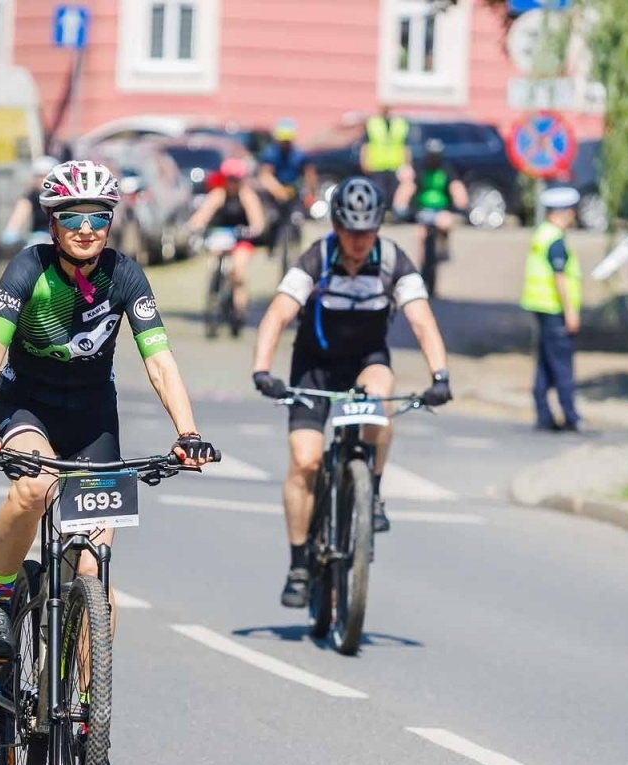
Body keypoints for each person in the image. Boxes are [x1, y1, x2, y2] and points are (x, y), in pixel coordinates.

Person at [0, 159, 217, 662]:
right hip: (25, 407)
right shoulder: (28, 269)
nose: (85, 228)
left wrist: (188, 433)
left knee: (91, 569)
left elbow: (159, 360)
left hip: (92, 417)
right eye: (72, 217)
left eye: (98, 217)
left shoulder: (124, 276)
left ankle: (83, 708)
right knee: (34, 488)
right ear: (52, 224)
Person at [250, 177, 452, 607]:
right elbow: (277, 315)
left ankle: (371, 493)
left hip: (366, 361)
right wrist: (262, 370)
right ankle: (300, 563)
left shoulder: (394, 260)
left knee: (382, 395)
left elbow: (421, 321)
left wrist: (440, 375)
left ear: (378, 226)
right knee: (304, 462)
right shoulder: (316, 258)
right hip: (315, 368)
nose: (359, 241)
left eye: (367, 231)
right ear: (336, 226)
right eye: (350, 231)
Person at [521, 186, 583, 432]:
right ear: (565, 212)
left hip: (541, 307)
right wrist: (570, 311)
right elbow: (560, 278)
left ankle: (543, 413)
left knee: (546, 363)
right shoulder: (555, 240)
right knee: (562, 365)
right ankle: (570, 415)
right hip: (554, 309)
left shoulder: (542, 234)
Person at [187, 157, 268, 326]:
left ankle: (239, 308)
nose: (232, 183)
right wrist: (195, 225)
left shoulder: (247, 195)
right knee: (215, 259)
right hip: (222, 237)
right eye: (229, 179)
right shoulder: (219, 194)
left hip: (242, 239)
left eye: (235, 179)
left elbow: (257, 220)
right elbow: (204, 213)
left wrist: (253, 229)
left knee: (238, 270)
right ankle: (215, 294)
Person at [408, 138, 470, 275]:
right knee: (421, 235)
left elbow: (456, 187)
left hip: (440, 210)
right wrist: (402, 206)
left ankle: (443, 247)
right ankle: (421, 267)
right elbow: (410, 187)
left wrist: (462, 204)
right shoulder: (421, 169)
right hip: (423, 210)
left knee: (445, 222)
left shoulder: (446, 170)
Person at [257, 118, 318, 246]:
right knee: (273, 218)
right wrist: (277, 190)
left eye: (287, 141)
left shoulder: (299, 154)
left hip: (293, 190)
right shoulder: (271, 153)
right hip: (275, 191)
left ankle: (295, 245)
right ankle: (271, 246)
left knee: (297, 218)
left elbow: (309, 173)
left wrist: (311, 192)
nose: (285, 144)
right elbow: (265, 175)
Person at [360, 105, 412, 220]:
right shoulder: (373, 124)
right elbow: (365, 145)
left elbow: (405, 146)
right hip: (378, 166)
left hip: (395, 165)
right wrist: (364, 160)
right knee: (379, 192)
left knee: (393, 193)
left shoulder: (399, 125)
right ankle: (379, 215)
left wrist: (407, 164)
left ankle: (392, 216)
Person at [0, 154, 59, 247]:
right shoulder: (31, 196)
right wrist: (11, 231)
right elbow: (20, 213)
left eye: (45, 176)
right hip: (38, 238)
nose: (41, 180)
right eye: (38, 176)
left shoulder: (63, 197)